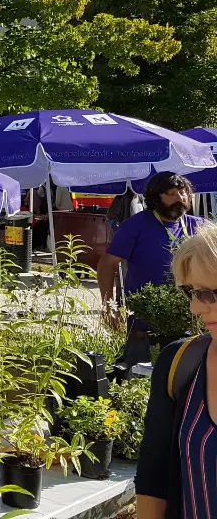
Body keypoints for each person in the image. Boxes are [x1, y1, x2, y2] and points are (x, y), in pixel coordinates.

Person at [136, 222, 217, 519]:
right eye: (192, 292)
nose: (196, 308)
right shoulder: (181, 363)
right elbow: (153, 473)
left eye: (209, 293)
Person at [98, 172, 202, 317]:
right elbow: (107, 264)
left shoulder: (200, 226)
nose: (179, 197)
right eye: (171, 193)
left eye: (182, 192)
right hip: (145, 318)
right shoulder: (135, 225)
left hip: (192, 316)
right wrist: (109, 307)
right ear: (156, 198)